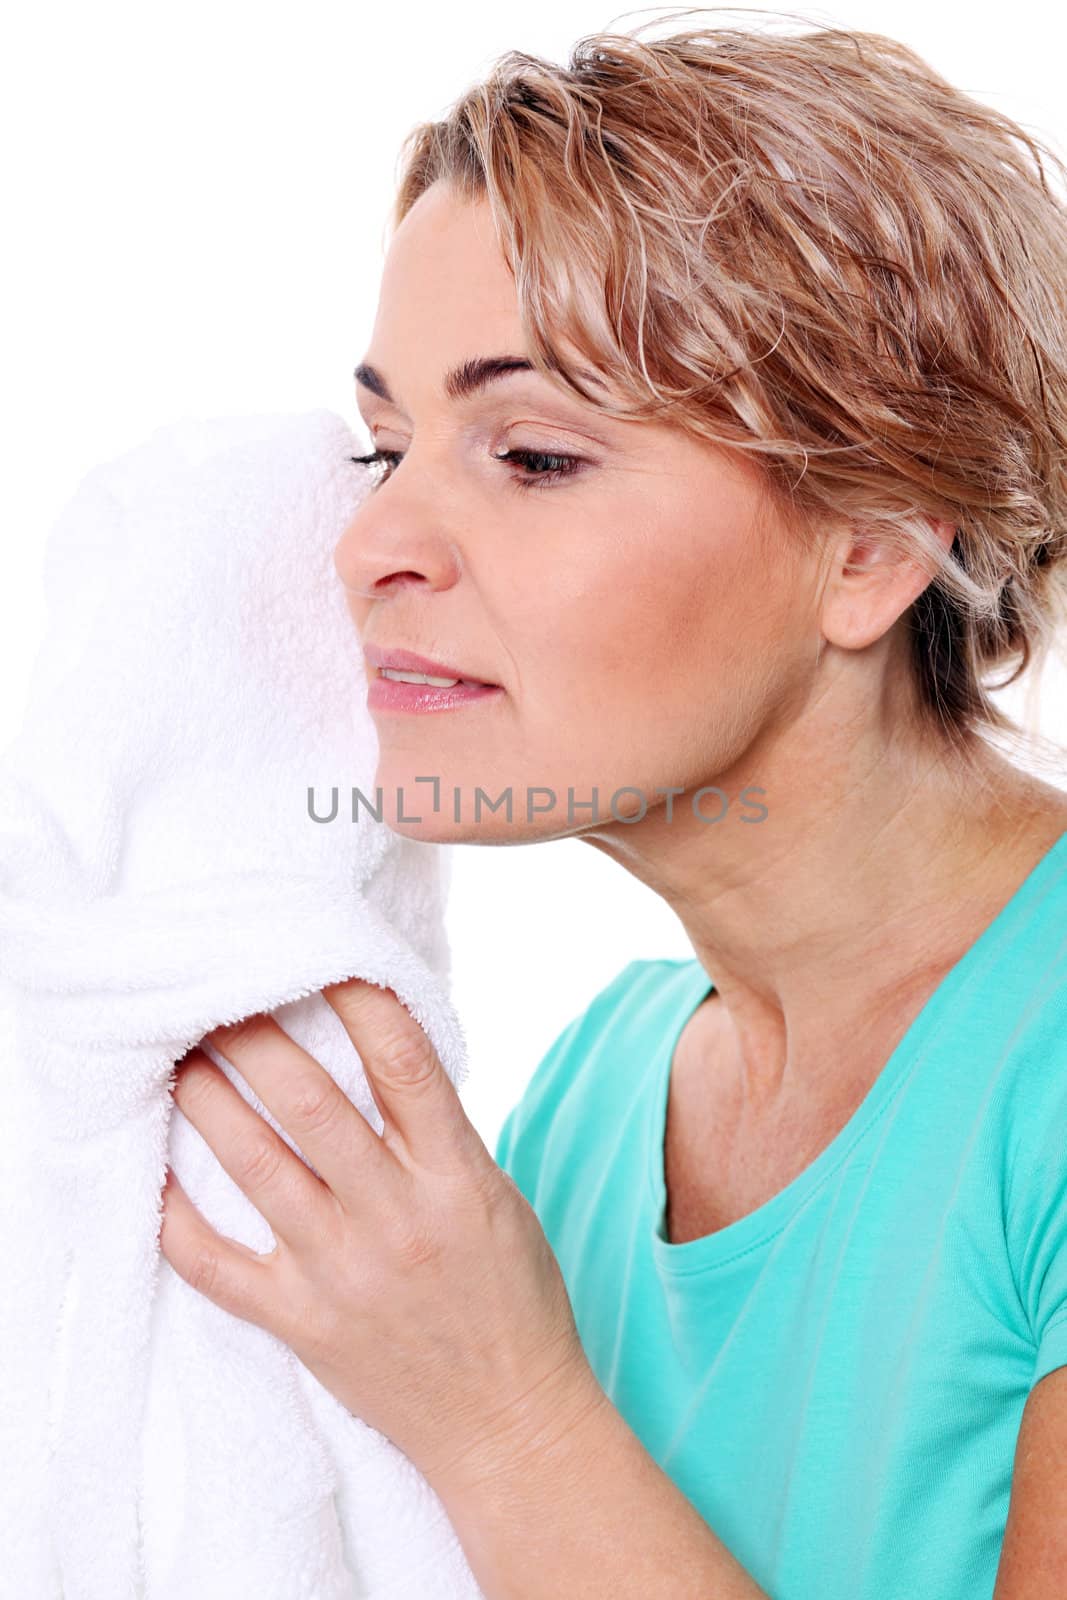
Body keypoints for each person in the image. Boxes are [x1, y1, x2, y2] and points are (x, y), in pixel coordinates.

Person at [164, 14, 1067, 1598]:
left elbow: (506, 1443)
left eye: (532, 453)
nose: (371, 548)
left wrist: (502, 1410)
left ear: (871, 547)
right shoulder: (590, 1099)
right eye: (387, 450)